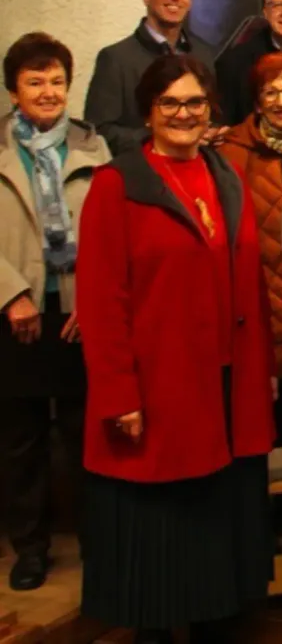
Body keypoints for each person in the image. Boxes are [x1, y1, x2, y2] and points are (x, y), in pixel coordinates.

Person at [77, 54, 274, 644]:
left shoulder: (226, 175)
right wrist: (119, 395)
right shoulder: (118, 186)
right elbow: (100, 301)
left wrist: (261, 369)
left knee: (217, 521)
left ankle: (215, 618)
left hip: (225, 384)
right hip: (159, 388)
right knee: (163, 532)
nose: (184, 114)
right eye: (170, 104)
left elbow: (252, 281)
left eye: (195, 103)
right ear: (148, 112)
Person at [0, 33, 111, 592]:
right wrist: (9, 294)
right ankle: (31, 548)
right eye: (35, 81)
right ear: (15, 89)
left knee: (82, 434)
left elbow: (113, 232)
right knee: (20, 439)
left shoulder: (93, 147)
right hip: (15, 314)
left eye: (57, 81)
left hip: (77, 313)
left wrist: (93, 299)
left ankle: (98, 542)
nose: (48, 91)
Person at [216, 52, 282, 447]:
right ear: (257, 101)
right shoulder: (230, 150)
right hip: (257, 297)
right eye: (270, 92)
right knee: (265, 422)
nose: (281, 101)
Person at [86, 0, 216, 157]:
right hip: (141, 176)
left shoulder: (204, 55)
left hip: (195, 173)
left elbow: (212, 115)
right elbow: (100, 132)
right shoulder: (116, 59)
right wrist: (159, 135)